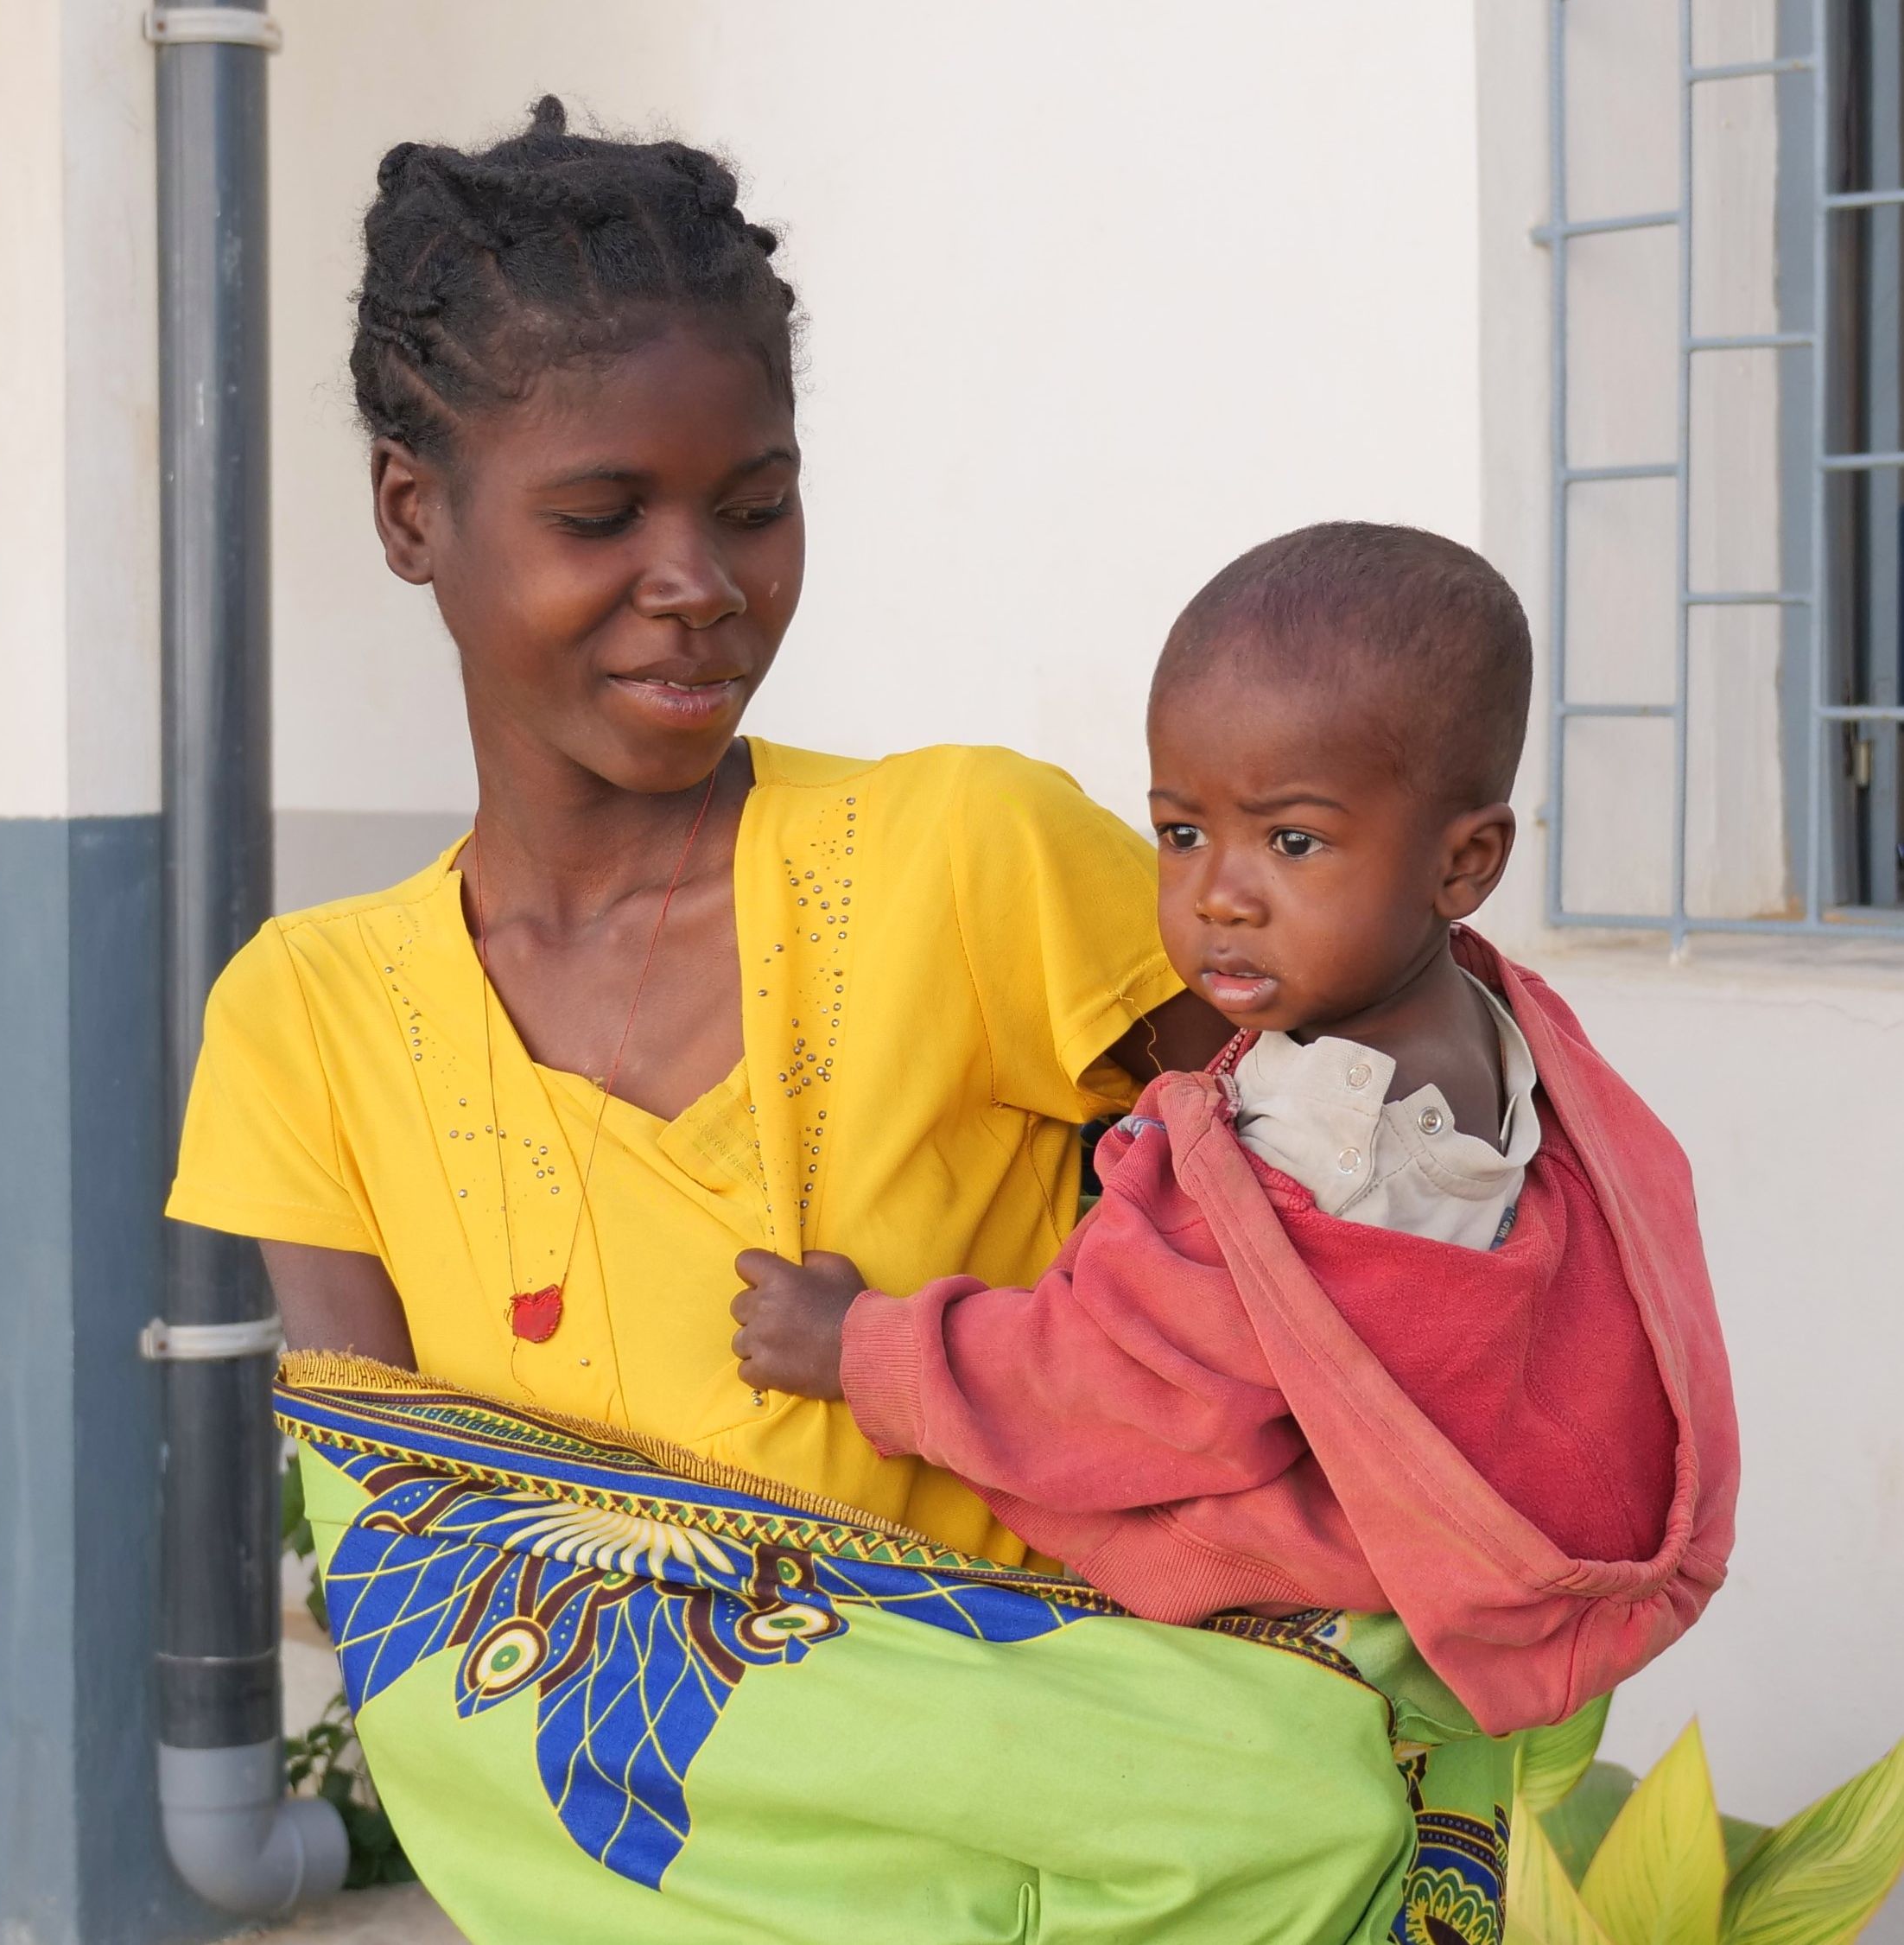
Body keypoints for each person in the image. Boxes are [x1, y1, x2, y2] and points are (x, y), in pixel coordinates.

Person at [168, 104, 1516, 1945]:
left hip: (1132, 1868)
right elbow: (428, 1607)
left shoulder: (967, 856)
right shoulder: (306, 1023)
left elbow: (1387, 1269)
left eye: (754, 504)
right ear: (415, 512)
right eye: (599, 513)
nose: (699, 584)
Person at [732, 524, 1741, 1736]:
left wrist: (861, 1349)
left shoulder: (1315, 1133)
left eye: (1293, 841)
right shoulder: (1490, 1018)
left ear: (1462, 862)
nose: (1218, 893)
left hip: (1344, 1627)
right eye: (1180, 832)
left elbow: (1121, 1394)